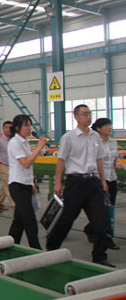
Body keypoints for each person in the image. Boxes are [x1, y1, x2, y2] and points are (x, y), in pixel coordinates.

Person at [46, 104, 113, 267]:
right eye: (85, 114)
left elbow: (99, 159)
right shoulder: (68, 137)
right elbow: (61, 160)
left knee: (100, 222)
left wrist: (103, 181)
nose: (88, 117)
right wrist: (58, 183)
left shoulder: (95, 137)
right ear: (76, 117)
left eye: (89, 114)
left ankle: (99, 256)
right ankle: (51, 247)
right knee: (67, 219)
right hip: (75, 183)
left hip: (93, 183)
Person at [7, 115, 47, 249]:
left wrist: (31, 184)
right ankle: (36, 249)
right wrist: (39, 148)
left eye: (30, 125)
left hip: (26, 184)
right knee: (29, 219)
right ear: (17, 128)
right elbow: (25, 163)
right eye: (26, 125)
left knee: (18, 221)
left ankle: (11, 244)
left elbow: (28, 167)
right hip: (17, 185)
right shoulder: (15, 143)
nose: (29, 128)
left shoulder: (24, 142)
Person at [84, 118, 123, 251]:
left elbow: (113, 160)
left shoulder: (113, 142)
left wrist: (118, 164)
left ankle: (90, 229)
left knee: (109, 210)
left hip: (112, 179)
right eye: (106, 126)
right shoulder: (94, 143)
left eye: (110, 125)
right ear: (99, 129)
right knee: (100, 210)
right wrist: (102, 181)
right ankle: (106, 238)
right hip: (99, 180)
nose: (109, 128)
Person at [0, 121, 14, 209]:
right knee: (8, 186)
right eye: (6, 127)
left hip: (13, 166)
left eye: (10, 128)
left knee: (5, 185)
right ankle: (14, 204)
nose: (8, 129)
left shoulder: (15, 140)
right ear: (3, 129)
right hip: (3, 165)